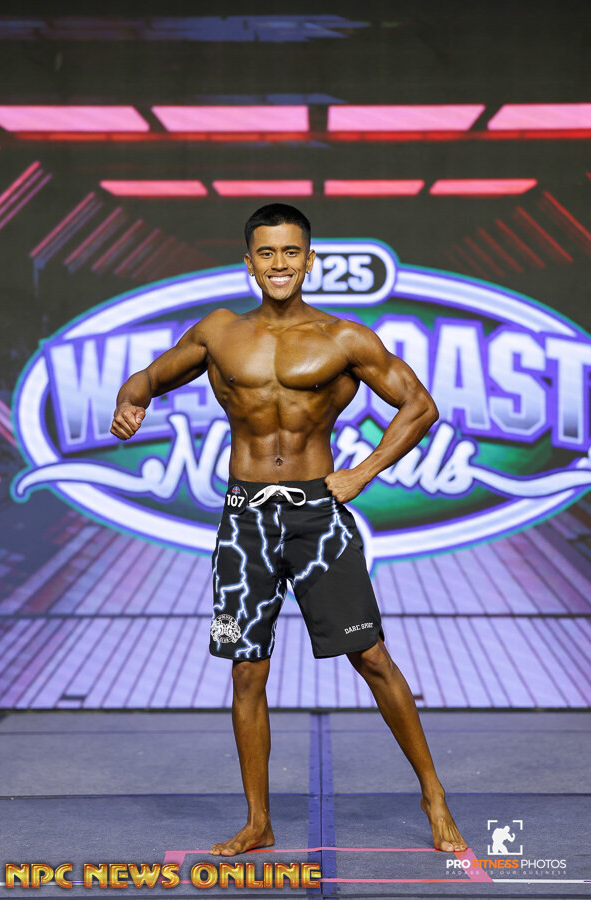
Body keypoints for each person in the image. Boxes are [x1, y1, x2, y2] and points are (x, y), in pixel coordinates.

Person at [110, 203, 467, 856]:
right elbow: (151, 377)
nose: (280, 263)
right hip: (245, 518)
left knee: (371, 656)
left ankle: (433, 794)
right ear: (249, 262)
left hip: (316, 518)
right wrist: (129, 401)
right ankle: (258, 823)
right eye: (267, 253)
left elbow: (420, 406)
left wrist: (363, 472)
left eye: (291, 252)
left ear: (310, 260)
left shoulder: (344, 338)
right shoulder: (219, 332)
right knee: (247, 671)